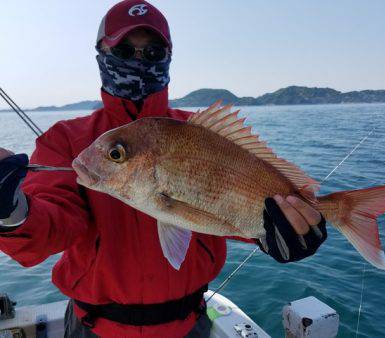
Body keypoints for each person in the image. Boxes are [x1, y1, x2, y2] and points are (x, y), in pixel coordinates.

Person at [0, 1, 327, 337]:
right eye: (125, 50)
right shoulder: (67, 141)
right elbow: (49, 230)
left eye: (153, 52)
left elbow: (234, 212)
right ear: (101, 53)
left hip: (189, 325)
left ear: (169, 56)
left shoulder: (203, 134)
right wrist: (12, 211)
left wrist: (281, 233)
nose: (139, 61)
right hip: (93, 327)